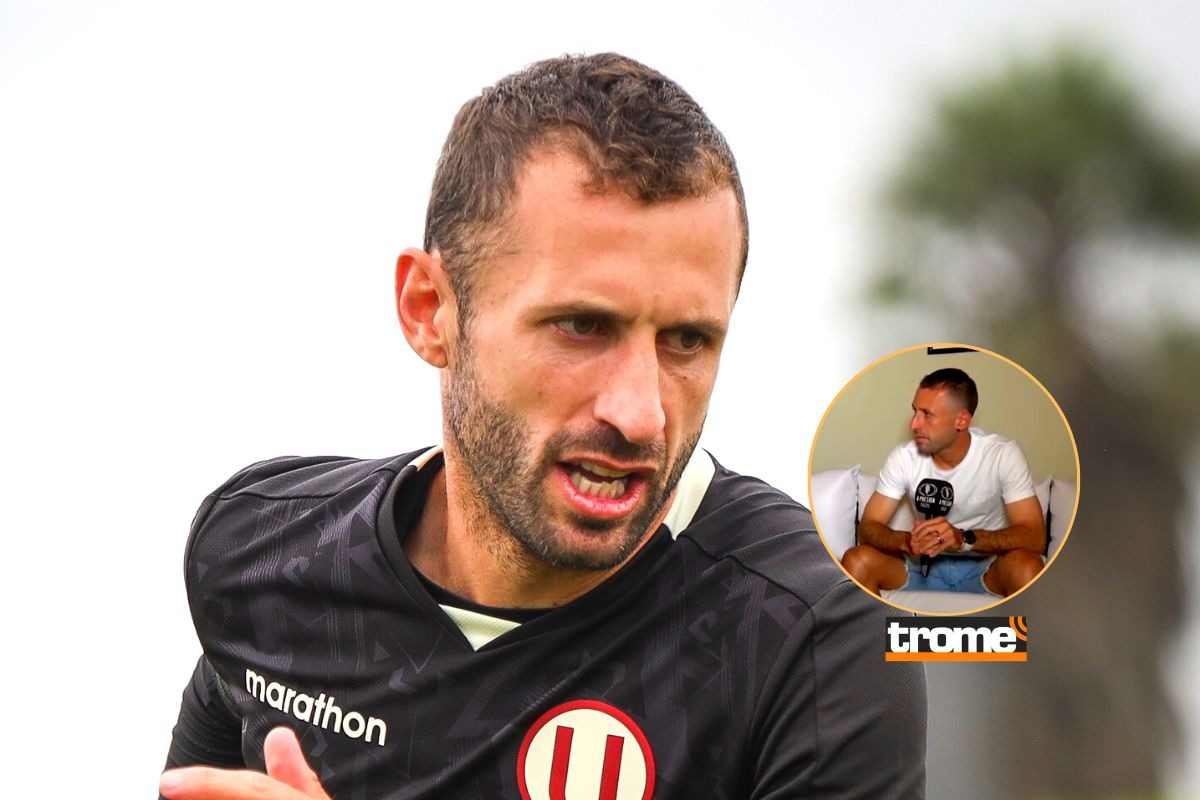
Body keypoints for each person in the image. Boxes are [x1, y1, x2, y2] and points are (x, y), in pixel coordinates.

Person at [159, 53, 926, 800]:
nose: (641, 413)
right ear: (429, 311)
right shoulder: (264, 554)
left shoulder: (805, 634)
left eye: (687, 340)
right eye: (582, 326)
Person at [842, 367, 1046, 599]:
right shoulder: (904, 457)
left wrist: (964, 539)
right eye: (915, 411)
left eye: (927, 414)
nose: (914, 424)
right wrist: (907, 541)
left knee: (1027, 567)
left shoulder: (1002, 454)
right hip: (921, 565)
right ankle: (881, 624)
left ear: (962, 420)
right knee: (856, 561)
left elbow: (1034, 536)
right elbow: (868, 527)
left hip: (986, 566)